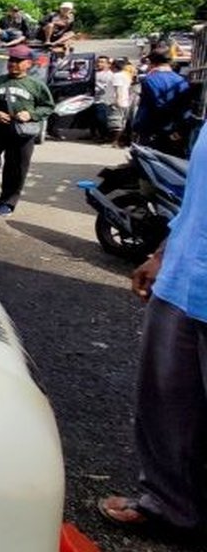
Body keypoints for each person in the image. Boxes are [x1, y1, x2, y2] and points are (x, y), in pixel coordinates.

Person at [98, 129, 207, 544]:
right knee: (167, 407)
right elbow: (199, 199)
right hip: (183, 281)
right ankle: (168, 505)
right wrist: (163, 252)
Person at [0, 44, 55, 217]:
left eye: (18, 61)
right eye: (11, 60)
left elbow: (48, 107)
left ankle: (7, 202)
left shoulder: (36, 86)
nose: (13, 64)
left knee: (16, 168)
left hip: (23, 133)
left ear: (29, 63)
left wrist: (30, 114)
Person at [131, 40, 191, 156]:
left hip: (153, 129)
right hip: (174, 129)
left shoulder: (150, 79)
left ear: (151, 62)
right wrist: (177, 129)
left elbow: (158, 106)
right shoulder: (180, 80)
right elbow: (184, 106)